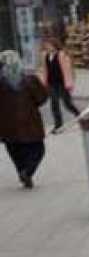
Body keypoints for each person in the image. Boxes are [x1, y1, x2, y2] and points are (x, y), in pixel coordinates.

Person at [0, 50, 49, 189]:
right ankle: (27, 172)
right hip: (30, 123)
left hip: (6, 126)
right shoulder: (30, 79)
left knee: (14, 151)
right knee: (38, 149)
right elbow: (42, 98)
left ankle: (22, 171)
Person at [38, 39, 79, 134]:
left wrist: (69, 82)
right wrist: (43, 81)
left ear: (54, 45)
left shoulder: (62, 55)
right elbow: (43, 69)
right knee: (54, 104)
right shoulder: (45, 56)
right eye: (46, 46)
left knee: (67, 103)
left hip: (62, 83)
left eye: (49, 45)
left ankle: (79, 116)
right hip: (51, 83)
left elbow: (68, 70)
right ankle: (58, 125)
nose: (47, 47)